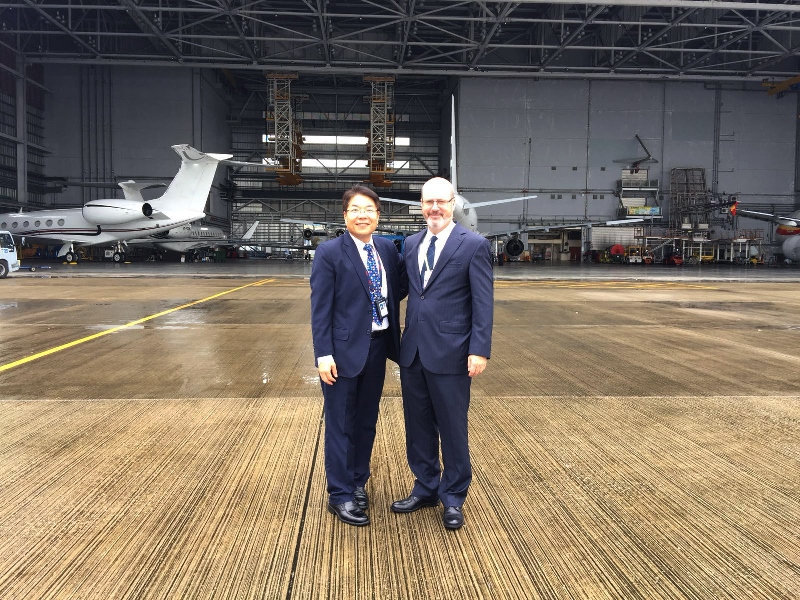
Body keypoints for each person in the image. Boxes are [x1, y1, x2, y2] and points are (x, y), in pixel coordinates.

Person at [392, 176, 494, 530]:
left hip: (452, 352)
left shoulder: (474, 245)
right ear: (421, 206)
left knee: (452, 428)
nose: (434, 208)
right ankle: (425, 488)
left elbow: (483, 302)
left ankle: (453, 497)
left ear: (453, 204)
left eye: (441, 202)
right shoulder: (411, 244)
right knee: (417, 426)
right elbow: (405, 291)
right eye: (428, 202)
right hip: (413, 353)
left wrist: (479, 349)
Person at [310, 184, 407, 527]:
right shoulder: (329, 252)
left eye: (369, 210)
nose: (362, 215)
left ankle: (357, 482)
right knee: (340, 424)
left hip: (377, 347)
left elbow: (398, 288)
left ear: (378, 216)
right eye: (355, 209)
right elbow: (320, 308)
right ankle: (339, 495)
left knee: (366, 421)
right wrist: (323, 353)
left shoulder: (387, 249)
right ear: (345, 215)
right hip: (341, 352)